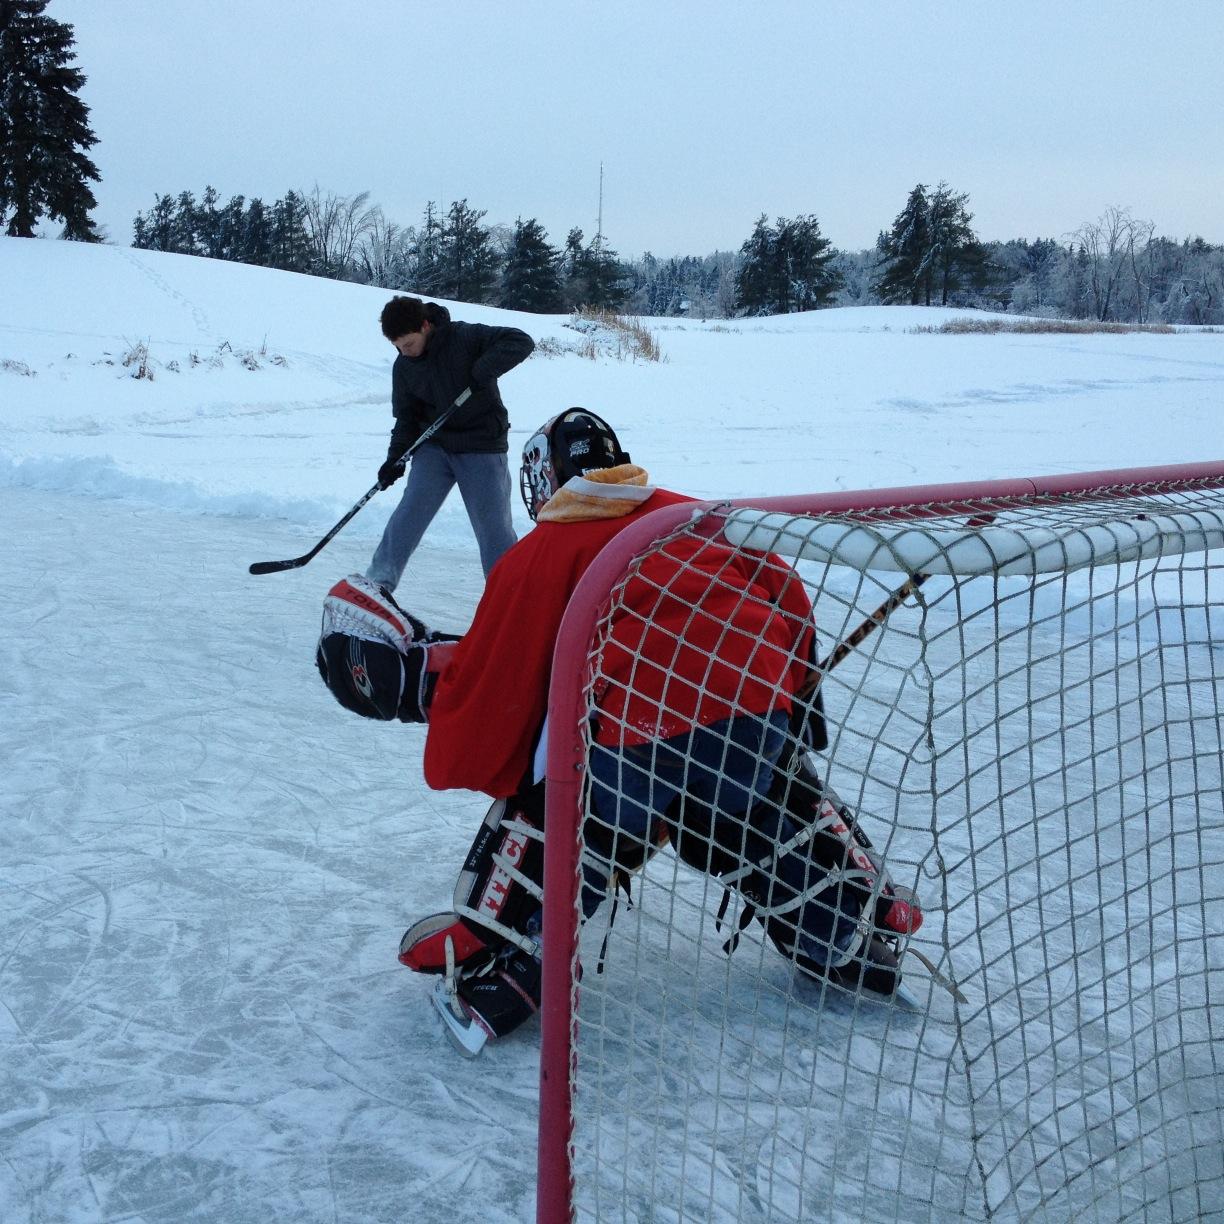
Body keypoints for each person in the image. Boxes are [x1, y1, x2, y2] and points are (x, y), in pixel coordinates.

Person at [317, 410, 916, 1048]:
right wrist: (799, 705)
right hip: (753, 717)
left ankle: (507, 978)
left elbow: (496, 676)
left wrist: (416, 684)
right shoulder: (699, 515)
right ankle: (846, 941)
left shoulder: (539, 555)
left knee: (569, 816)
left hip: (637, 747)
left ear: (548, 475)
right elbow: (788, 597)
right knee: (759, 809)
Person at [366, 296, 534, 590]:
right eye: (398, 347)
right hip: (435, 448)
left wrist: (483, 369)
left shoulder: (464, 336)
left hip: (481, 444)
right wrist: (395, 459)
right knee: (409, 514)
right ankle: (378, 584)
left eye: (408, 344)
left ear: (425, 326)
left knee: (493, 531)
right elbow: (406, 420)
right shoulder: (404, 366)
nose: (404, 352)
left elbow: (520, 341)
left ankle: (508, 596)